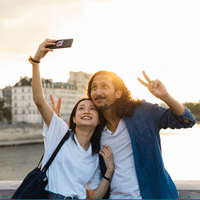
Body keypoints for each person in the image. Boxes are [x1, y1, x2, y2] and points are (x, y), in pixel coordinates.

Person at [52, 69, 196, 199]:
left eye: (104, 86)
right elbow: (74, 149)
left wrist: (165, 96)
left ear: (118, 93)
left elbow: (186, 120)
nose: (97, 91)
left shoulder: (143, 113)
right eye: (94, 87)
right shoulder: (95, 130)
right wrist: (58, 126)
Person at [29, 39, 115, 199]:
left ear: (98, 121)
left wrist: (109, 172)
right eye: (81, 108)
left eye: (92, 109)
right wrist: (36, 61)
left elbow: (94, 196)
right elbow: (39, 101)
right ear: (74, 118)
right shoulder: (60, 132)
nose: (86, 111)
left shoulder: (95, 156)